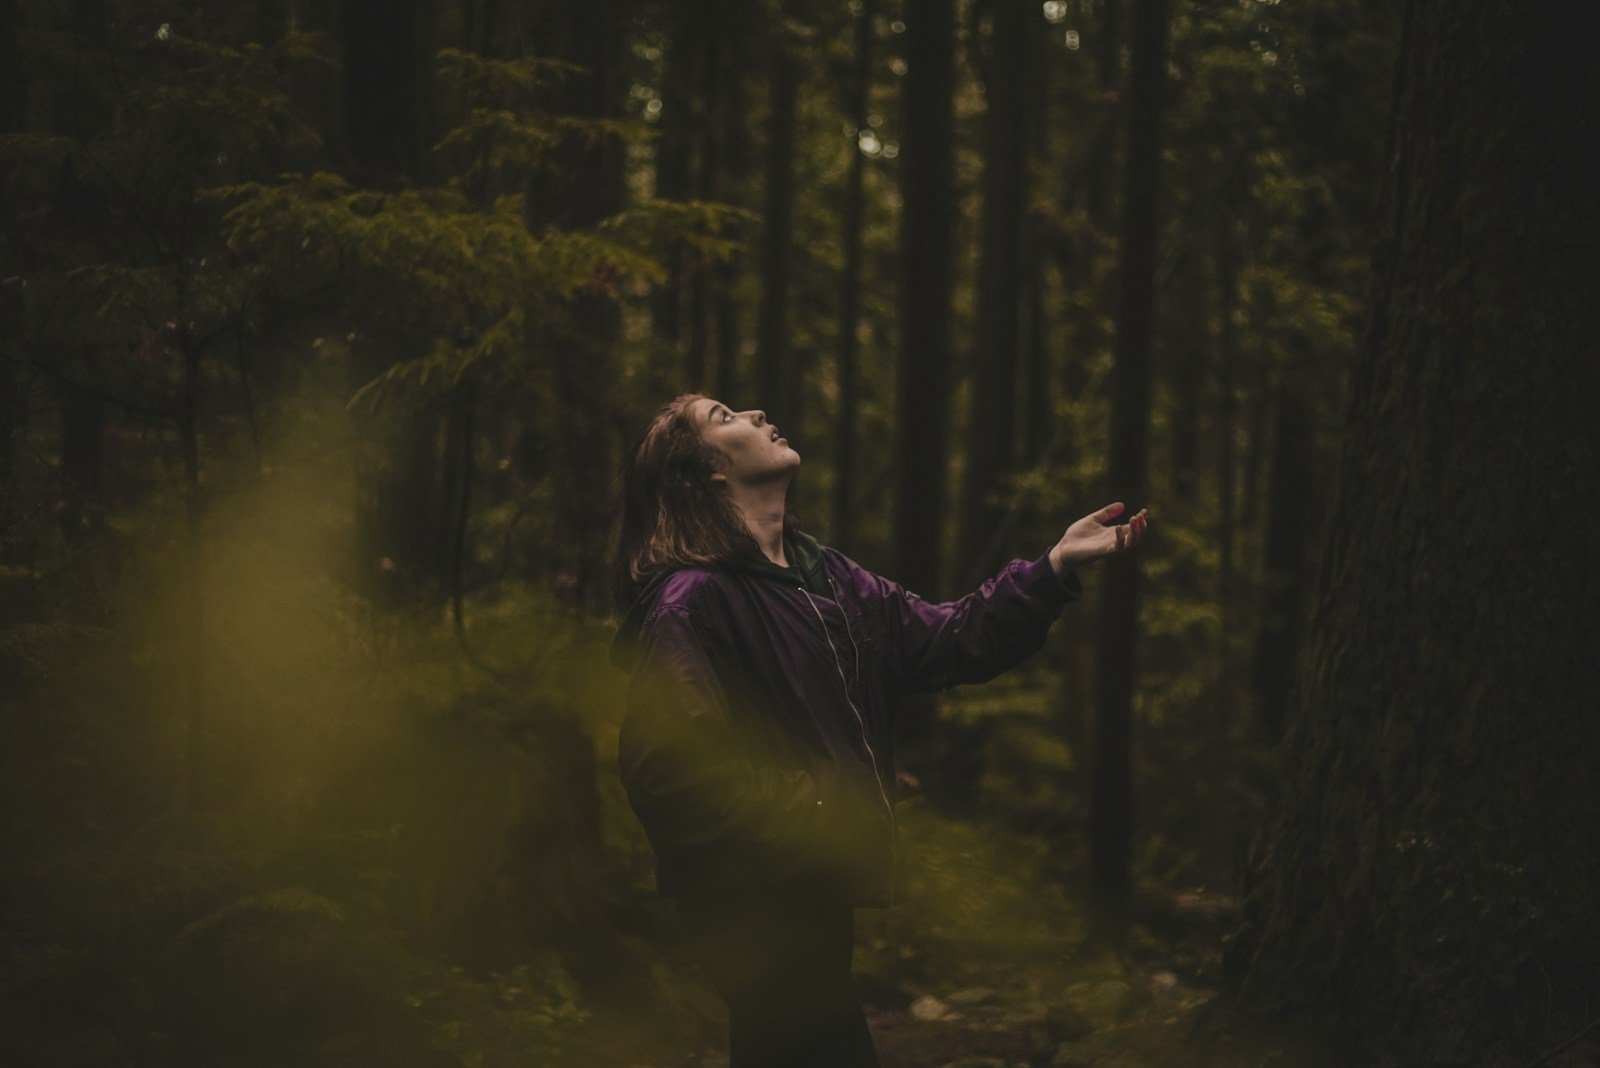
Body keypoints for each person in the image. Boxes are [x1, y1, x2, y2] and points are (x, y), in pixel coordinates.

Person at [606, 393, 1149, 1067]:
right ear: (709, 473)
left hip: (812, 890)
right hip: (751, 900)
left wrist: (1054, 570)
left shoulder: (825, 578)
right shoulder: (692, 599)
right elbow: (669, 768)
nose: (755, 413)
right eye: (725, 417)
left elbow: (949, 638)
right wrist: (816, 805)